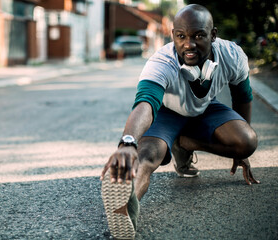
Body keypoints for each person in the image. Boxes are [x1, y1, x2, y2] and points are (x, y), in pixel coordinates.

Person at [100, 4, 260, 239]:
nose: (189, 44)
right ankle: (125, 206)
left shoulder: (232, 55)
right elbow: (145, 103)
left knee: (247, 141)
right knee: (147, 155)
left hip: (206, 109)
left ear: (213, 35)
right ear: (173, 34)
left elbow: (243, 97)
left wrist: (241, 152)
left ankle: (184, 143)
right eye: (181, 36)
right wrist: (127, 143)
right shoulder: (161, 63)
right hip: (167, 113)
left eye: (198, 36)